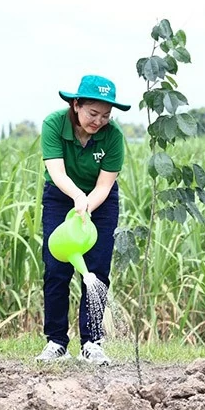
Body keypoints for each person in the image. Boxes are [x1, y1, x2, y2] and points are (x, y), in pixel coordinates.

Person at [34, 74, 131, 364]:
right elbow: (57, 172)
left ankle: (92, 342)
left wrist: (86, 206)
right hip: (60, 196)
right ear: (76, 104)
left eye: (105, 115)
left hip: (99, 203)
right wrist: (77, 198)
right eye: (92, 113)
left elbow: (104, 185)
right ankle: (56, 342)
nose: (98, 121)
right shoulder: (54, 124)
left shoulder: (113, 137)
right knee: (56, 267)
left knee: (96, 270)